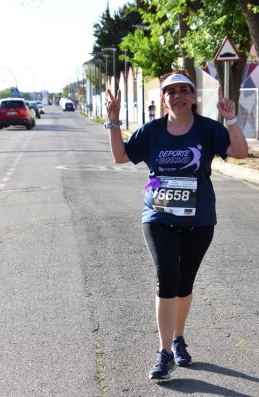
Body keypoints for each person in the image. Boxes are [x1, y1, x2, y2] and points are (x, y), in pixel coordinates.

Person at [104, 70, 248, 380]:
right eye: (172, 91)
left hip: (199, 220)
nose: (178, 95)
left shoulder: (208, 130)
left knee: (184, 285)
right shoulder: (152, 131)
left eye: (185, 90)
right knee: (167, 278)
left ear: (194, 98)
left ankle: (178, 338)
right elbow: (120, 156)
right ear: (164, 98)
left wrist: (231, 119)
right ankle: (165, 352)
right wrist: (114, 121)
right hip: (159, 217)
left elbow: (240, 152)